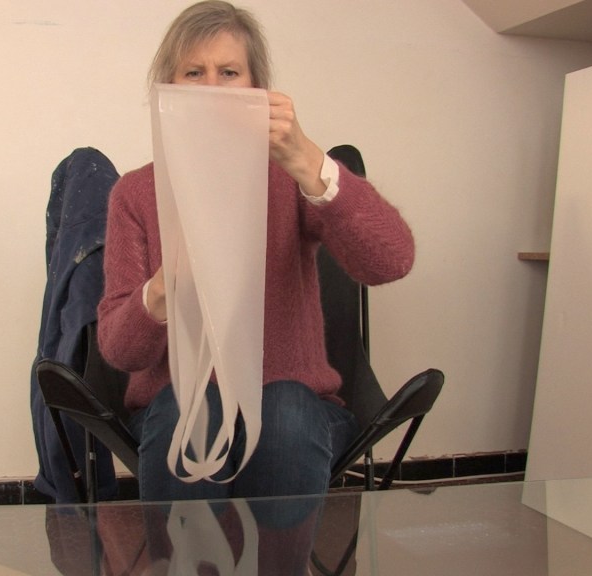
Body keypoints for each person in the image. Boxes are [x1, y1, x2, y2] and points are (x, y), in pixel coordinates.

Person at [97, 0, 415, 502]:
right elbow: (120, 352)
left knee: (284, 409)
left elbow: (391, 260)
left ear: (257, 87)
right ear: (168, 88)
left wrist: (308, 161)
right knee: (193, 414)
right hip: (175, 410)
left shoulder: (288, 178)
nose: (212, 88)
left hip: (297, 409)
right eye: (193, 73)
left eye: (229, 72)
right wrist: (162, 290)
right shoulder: (136, 194)